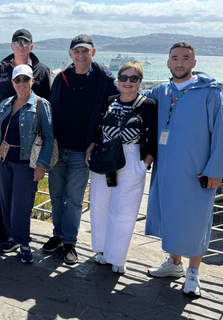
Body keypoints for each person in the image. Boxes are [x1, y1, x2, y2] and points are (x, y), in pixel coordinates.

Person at [144, 42, 223, 296]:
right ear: (167, 62)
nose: (180, 63)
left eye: (185, 58)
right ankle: (174, 264)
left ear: (194, 63)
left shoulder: (211, 93)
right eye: (175, 58)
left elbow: (221, 133)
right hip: (165, 169)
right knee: (171, 216)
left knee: (196, 221)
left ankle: (193, 273)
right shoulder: (160, 91)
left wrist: (216, 169)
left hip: (197, 171)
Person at [44, 34, 119, 264]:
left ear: (93, 53)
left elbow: (110, 115)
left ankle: (70, 242)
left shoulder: (103, 81)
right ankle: (57, 235)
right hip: (58, 148)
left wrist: (94, 142)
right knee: (56, 196)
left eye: (85, 51)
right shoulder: (61, 79)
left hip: (81, 151)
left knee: (74, 199)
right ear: (70, 54)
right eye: (76, 51)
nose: (80, 55)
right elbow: (49, 112)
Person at [85, 62, 157, 274]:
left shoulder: (149, 105)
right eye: (123, 77)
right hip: (104, 157)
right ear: (118, 80)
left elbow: (152, 137)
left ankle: (117, 257)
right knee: (99, 205)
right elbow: (99, 130)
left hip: (132, 157)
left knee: (124, 210)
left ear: (139, 82)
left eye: (133, 78)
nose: (127, 82)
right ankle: (101, 250)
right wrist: (90, 149)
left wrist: (145, 164)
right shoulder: (109, 101)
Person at [0, 28, 51, 243]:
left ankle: (18, 238)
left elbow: (46, 107)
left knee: (21, 196)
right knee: (0, 189)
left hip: (27, 148)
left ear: (31, 46)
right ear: (12, 46)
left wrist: (41, 158)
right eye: (17, 43)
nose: (21, 46)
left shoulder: (42, 71)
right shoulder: (1, 69)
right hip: (2, 143)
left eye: (25, 43)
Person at [0, 64, 54, 263]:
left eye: (26, 79)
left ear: (32, 81)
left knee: (22, 205)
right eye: (17, 80)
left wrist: (42, 165)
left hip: (26, 164)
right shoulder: (6, 104)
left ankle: (24, 243)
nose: (21, 83)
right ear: (12, 83)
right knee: (6, 202)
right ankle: (13, 238)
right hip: (4, 162)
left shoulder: (40, 104)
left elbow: (49, 138)